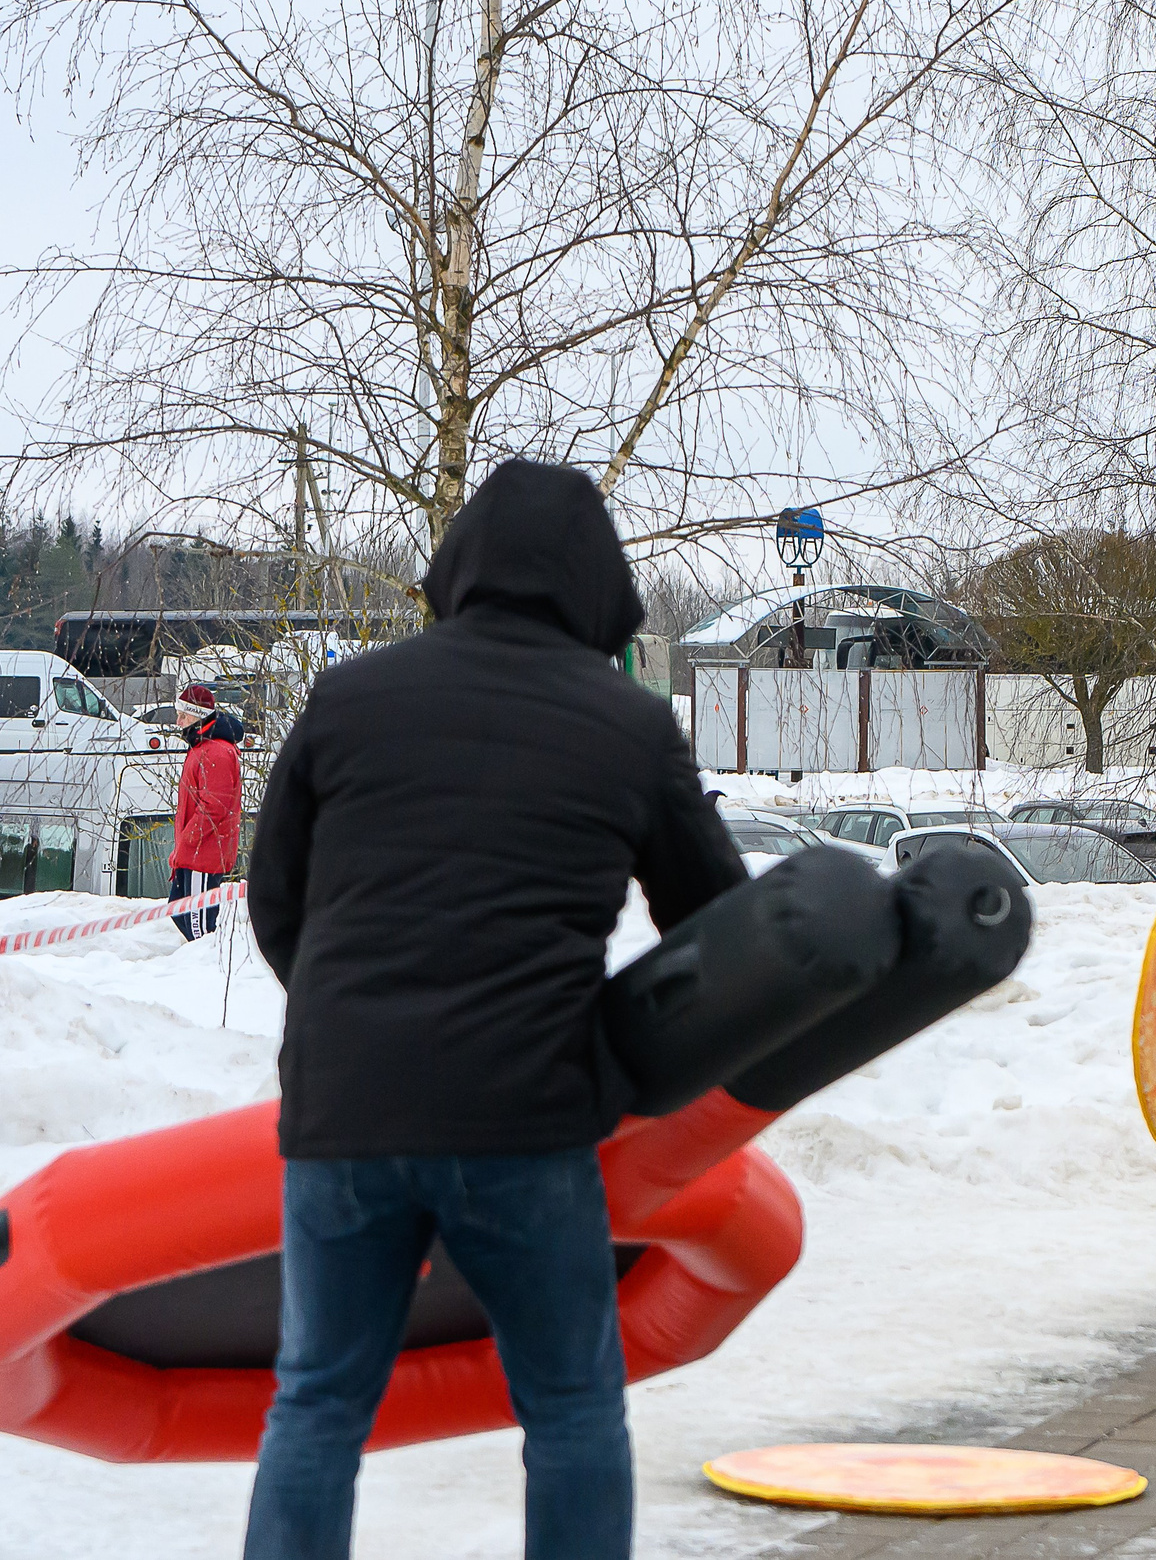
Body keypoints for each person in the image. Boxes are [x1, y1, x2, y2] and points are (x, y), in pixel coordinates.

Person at [243, 461, 746, 1560]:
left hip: (344, 1115)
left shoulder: (348, 697)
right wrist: (628, 1053)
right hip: (525, 1118)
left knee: (318, 1402)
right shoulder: (628, 724)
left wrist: (353, 1024)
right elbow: (718, 927)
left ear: (459, 563)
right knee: (568, 1407)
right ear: (599, 589)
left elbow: (276, 898)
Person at [170, 682, 244, 939]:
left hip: (203, 854)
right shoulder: (202, 748)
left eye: (183, 715)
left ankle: (205, 974)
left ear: (197, 716)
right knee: (180, 912)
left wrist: (190, 839)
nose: (178, 722)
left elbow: (215, 806)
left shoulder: (215, 752)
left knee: (198, 929)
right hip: (194, 853)